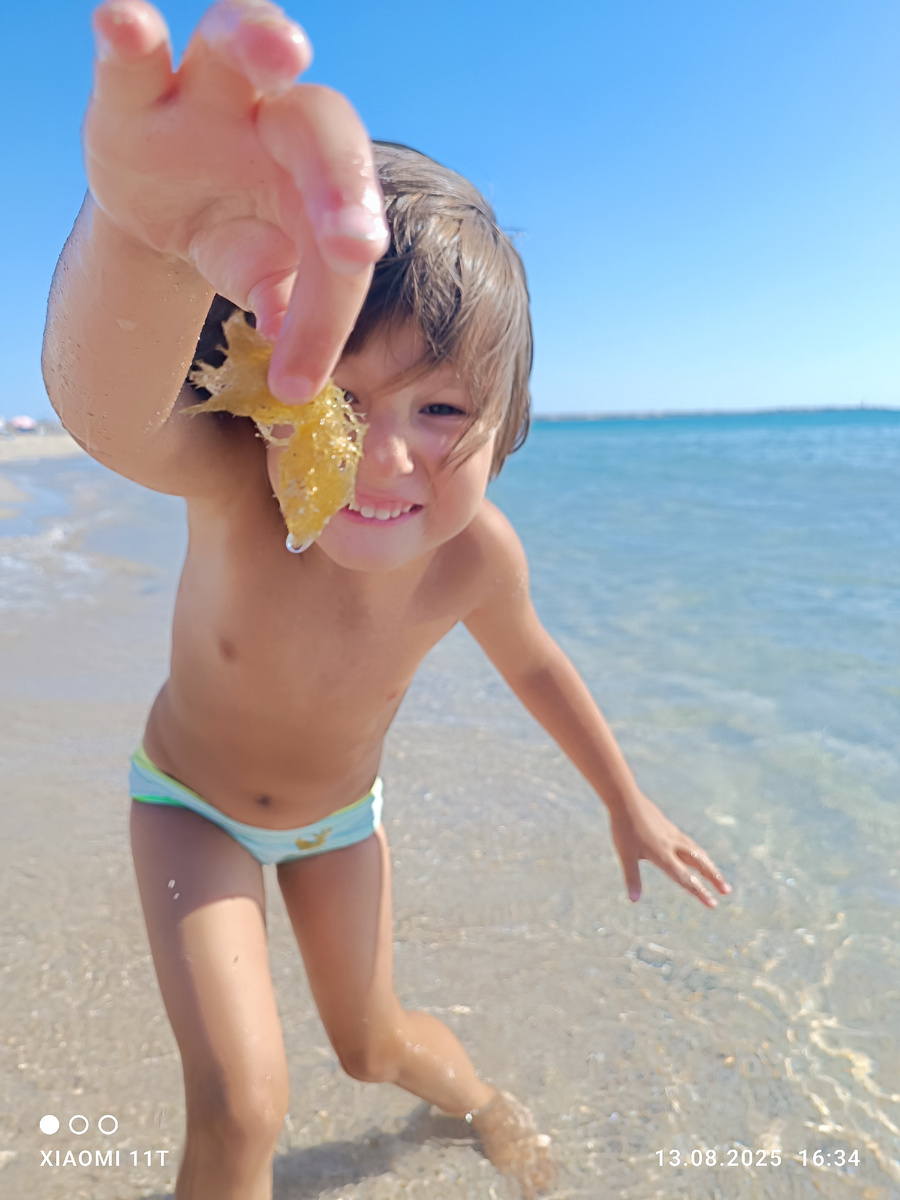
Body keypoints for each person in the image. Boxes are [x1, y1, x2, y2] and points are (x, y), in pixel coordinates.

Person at [42, 2, 732, 1196]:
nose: (384, 457)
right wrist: (141, 235)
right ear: (264, 396)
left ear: (507, 430)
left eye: (441, 409)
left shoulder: (476, 559)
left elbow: (536, 665)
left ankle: (483, 1105)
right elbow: (105, 415)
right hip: (192, 804)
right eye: (337, 399)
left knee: (373, 1047)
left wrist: (628, 801)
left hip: (339, 824)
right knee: (242, 1104)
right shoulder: (241, 486)